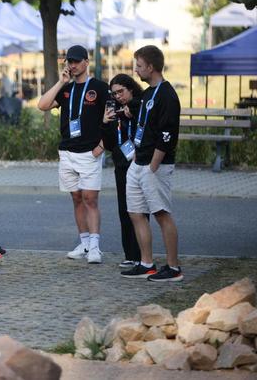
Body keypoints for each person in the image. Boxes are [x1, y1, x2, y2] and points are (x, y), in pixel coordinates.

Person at [37, 45, 108, 264]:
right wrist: (61, 82)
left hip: (89, 152)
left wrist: (103, 145)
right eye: (69, 61)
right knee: (76, 198)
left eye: (77, 61)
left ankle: (95, 246)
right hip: (67, 151)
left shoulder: (99, 87)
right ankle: (84, 243)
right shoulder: (66, 89)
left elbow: (112, 117)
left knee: (90, 199)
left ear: (87, 62)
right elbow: (42, 105)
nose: (73, 65)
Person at [121, 45, 182, 282]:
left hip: (155, 165)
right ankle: (146, 263)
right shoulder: (147, 94)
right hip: (139, 162)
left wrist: (153, 165)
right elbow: (141, 124)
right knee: (136, 213)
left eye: (138, 65)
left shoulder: (167, 95)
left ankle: (173, 268)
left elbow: (167, 134)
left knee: (161, 214)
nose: (136, 71)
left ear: (151, 67)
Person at [101, 74, 144, 268]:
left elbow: (140, 106)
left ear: (131, 89)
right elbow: (110, 144)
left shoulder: (138, 105)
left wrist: (129, 112)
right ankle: (130, 254)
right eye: (114, 93)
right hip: (121, 164)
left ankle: (144, 255)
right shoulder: (116, 111)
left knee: (140, 211)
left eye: (121, 91)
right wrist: (106, 122)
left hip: (140, 164)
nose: (118, 96)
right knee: (124, 210)